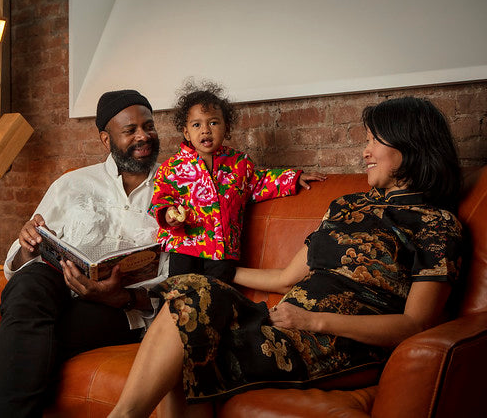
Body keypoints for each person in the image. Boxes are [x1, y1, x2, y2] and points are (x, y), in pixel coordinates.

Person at [108, 96, 463, 418]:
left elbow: (417, 324)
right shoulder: (345, 206)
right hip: (283, 322)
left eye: (373, 141)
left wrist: (313, 321)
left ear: (410, 145)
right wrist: (214, 272)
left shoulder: (436, 224)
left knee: (192, 339)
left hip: (335, 340)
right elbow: (284, 279)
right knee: (190, 292)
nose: (365, 152)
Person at [0, 89, 169, 417]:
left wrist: (120, 297)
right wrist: (26, 245)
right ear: (106, 139)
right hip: (57, 293)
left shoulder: (176, 188)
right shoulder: (72, 184)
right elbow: (16, 267)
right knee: (28, 282)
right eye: (130, 130)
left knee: (24, 350)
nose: (143, 136)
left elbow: (180, 280)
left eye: (148, 126)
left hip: (121, 312)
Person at [150, 81, 325, 282]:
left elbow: (259, 183)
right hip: (184, 245)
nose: (205, 130)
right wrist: (167, 214)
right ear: (186, 132)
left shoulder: (239, 163)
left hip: (222, 248)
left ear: (227, 127)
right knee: (181, 292)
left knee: (218, 292)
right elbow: (160, 198)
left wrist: (293, 178)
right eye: (197, 125)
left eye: (213, 123)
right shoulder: (171, 167)